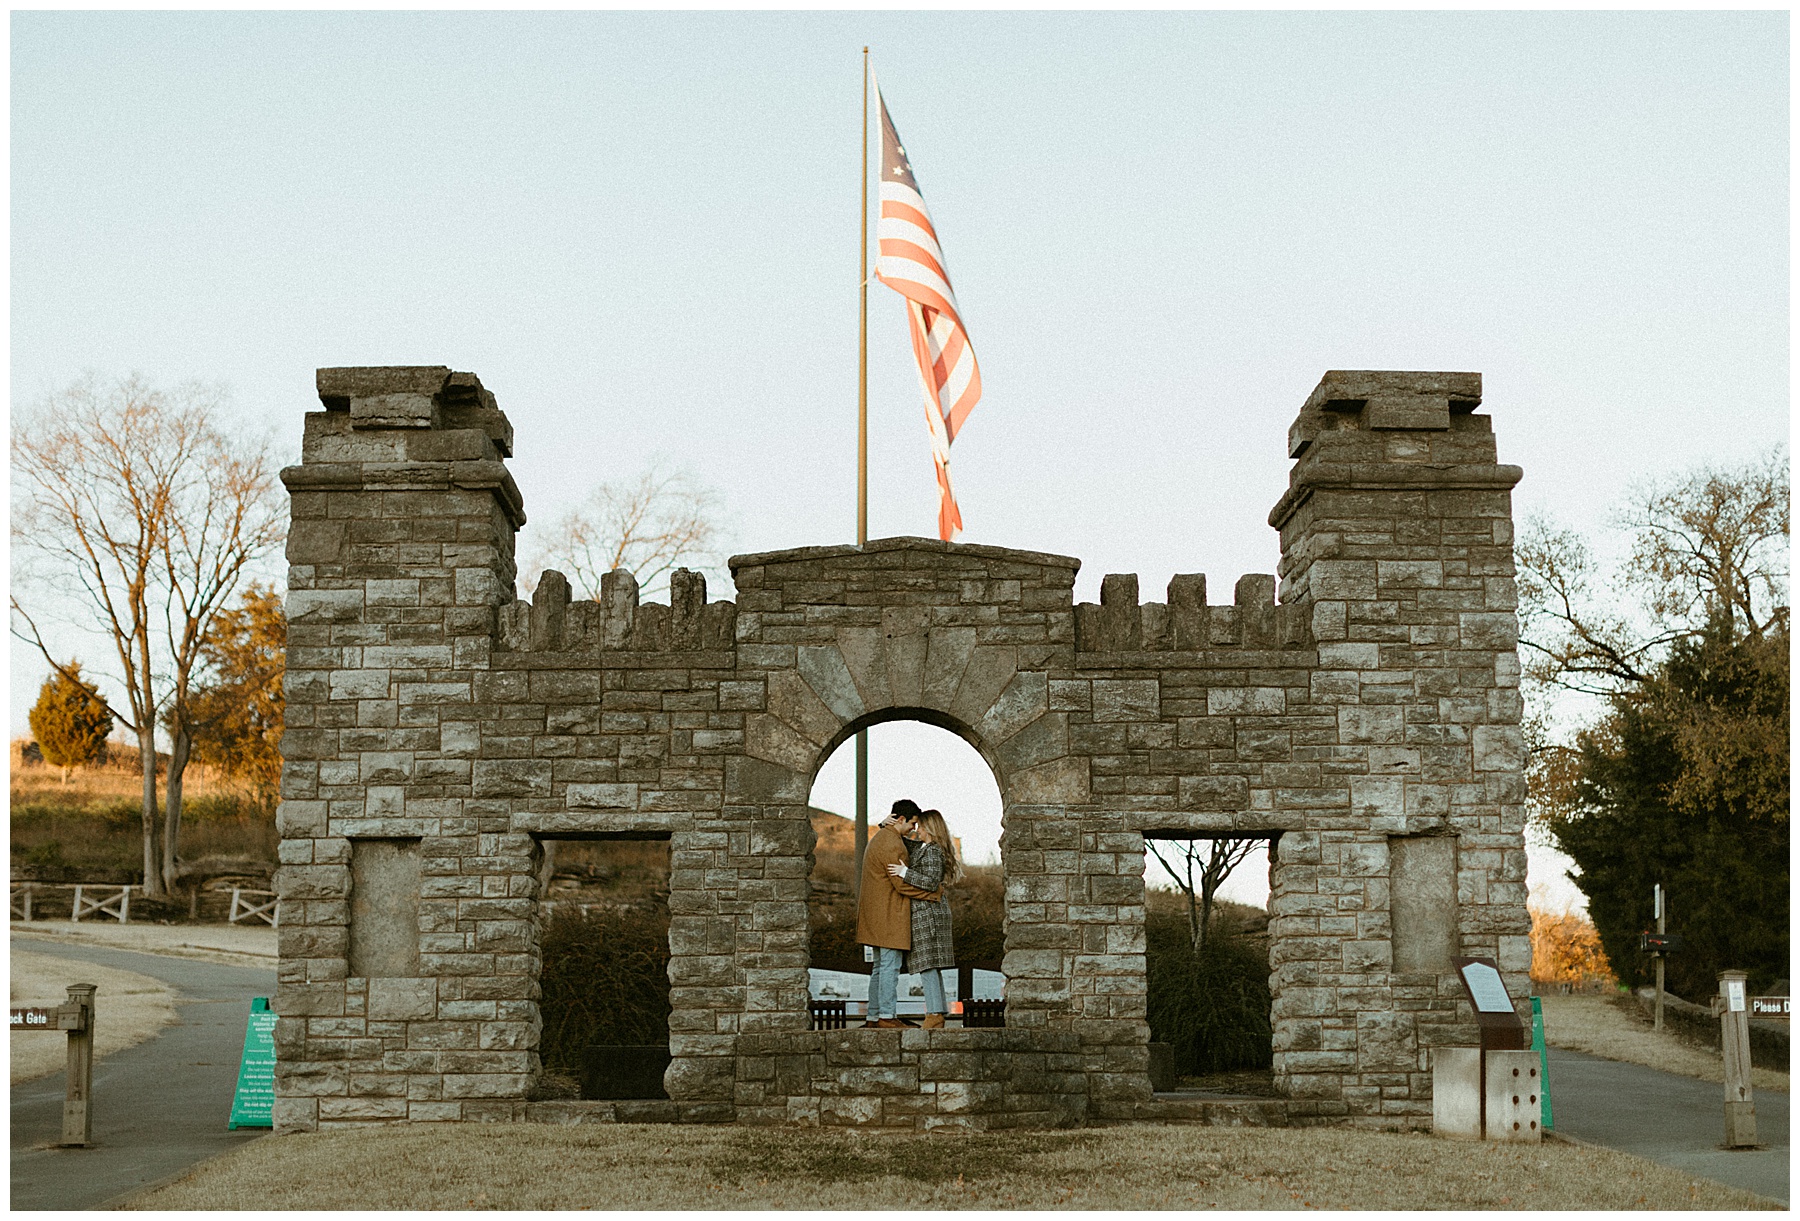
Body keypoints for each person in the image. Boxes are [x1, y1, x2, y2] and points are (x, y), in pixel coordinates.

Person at [853, 799, 937, 1028]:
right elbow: (901, 884)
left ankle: (873, 1017)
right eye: (912, 823)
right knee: (889, 968)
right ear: (900, 819)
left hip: (875, 914)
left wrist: (883, 826)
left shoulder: (882, 837)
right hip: (889, 914)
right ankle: (887, 1017)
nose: (914, 829)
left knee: (879, 968)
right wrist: (932, 893)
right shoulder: (893, 845)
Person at [886, 808, 960, 1029]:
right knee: (930, 965)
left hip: (929, 914)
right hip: (927, 913)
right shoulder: (925, 848)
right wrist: (885, 825)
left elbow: (929, 882)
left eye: (920, 826)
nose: (916, 830)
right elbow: (902, 841)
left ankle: (935, 1014)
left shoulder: (934, 851)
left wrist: (904, 872)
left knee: (928, 965)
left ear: (930, 827)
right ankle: (937, 1013)